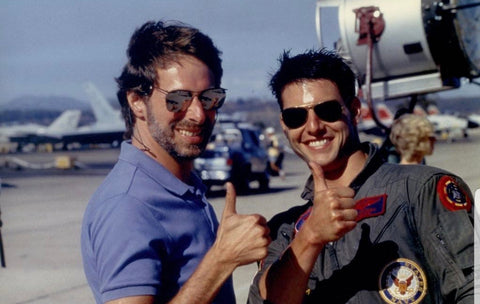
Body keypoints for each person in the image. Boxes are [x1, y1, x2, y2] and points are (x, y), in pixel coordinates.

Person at [248, 49, 474, 303]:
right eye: (296, 116)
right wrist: (310, 237)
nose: (313, 127)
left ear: (354, 110)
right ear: (284, 125)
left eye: (328, 110)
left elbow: (471, 288)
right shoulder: (284, 230)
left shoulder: (419, 191)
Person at [81, 20, 270, 304]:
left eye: (209, 98)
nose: (197, 114)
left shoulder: (179, 185)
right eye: (177, 99)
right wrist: (221, 260)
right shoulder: (128, 205)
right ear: (136, 101)